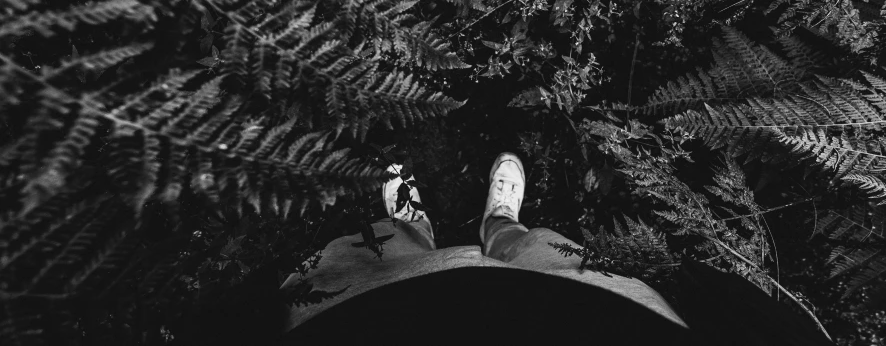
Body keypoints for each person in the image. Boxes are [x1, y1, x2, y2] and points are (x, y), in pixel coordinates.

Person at [279, 153, 833, 345]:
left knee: (367, 270)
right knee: (544, 255)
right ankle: (500, 226)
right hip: (612, 322)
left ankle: (409, 231)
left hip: (381, 325)